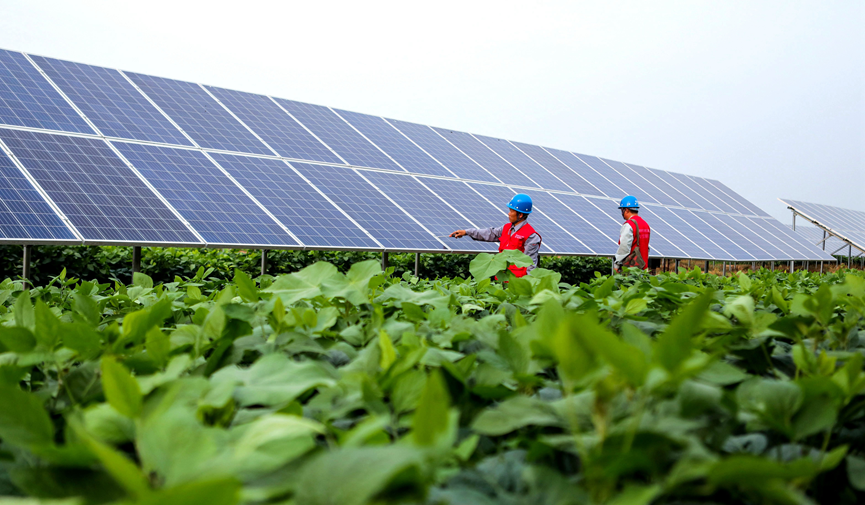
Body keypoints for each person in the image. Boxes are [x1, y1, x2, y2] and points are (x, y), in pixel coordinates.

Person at [449, 194, 542, 277]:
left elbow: (530, 264)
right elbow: (488, 233)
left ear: (520, 215)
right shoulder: (506, 228)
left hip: (517, 282)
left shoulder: (531, 236)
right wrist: (466, 232)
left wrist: (530, 284)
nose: (508, 213)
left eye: (511, 211)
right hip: (502, 278)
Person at [614, 196, 651, 272]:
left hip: (632, 268)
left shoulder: (629, 225)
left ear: (626, 210)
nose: (622, 213)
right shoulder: (645, 224)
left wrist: (616, 265)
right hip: (643, 267)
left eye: (622, 210)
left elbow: (624, 247)